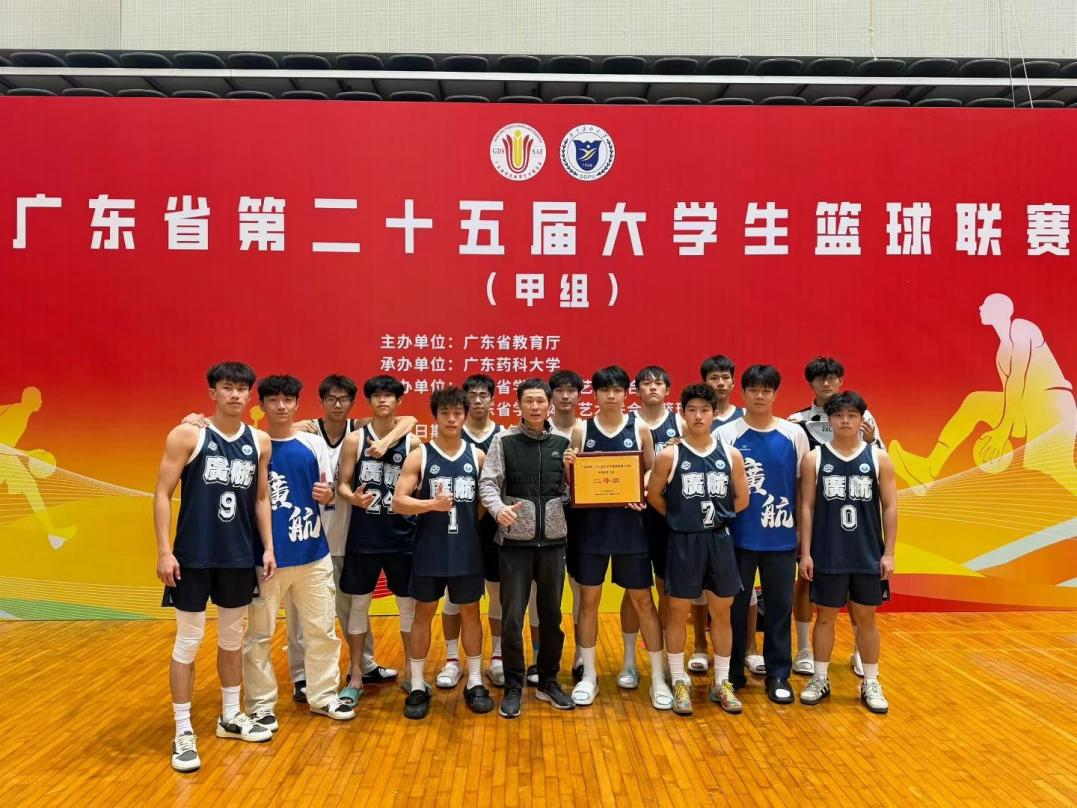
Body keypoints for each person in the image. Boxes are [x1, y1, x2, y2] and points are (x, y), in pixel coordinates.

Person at [153, 362, 274, 773]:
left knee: (232, 639)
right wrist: (164, 551)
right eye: (227, 387)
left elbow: (261, 498)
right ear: (213, 393)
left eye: (242, 389)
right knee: (188, 641)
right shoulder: (188, 434)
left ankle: (230, 716)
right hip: (193, 556)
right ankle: (183, 730)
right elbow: (162, 493)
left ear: (250, 395)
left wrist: (268, 548)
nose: (235, 395)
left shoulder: (259, 441)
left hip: (237, 557)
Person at [285, 375, 411, 700]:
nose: (338, 405)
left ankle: (365, 665)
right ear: (321, 401)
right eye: (331, 399)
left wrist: (385, 442)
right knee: (301, 614)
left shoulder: (360, 429)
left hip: (347, 537)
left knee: (353, 607)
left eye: (343, 399)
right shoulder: (306, 431)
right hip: (308, 539)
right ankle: (302, 676)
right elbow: (273, 430)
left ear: (354, 403)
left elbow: (408, 420)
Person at [242, 375, 355, 733]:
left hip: (312, 552)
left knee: (322, 630)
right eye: (273, 400)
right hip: (266, 559)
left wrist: (328, 495)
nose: (281, 406)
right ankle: (260, 705)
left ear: (296, 403)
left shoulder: (311, 443)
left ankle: (323, 696)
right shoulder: (251, 443)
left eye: (288, 400)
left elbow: (328, 489)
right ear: (261, 405)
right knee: (259, 635)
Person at [889, 292, 1075, 496]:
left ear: (1000, 311)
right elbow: (1011, 396)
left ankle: (928, 470)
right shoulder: (1002, 353)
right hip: (1030, 409)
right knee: (976, 403)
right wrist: (1001, 433)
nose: (980, 308)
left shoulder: (1021, 328)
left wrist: (1003, 430)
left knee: (1058, 468)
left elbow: (1017, 379)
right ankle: (928, 470)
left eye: (985, 305)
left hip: (1052, 404)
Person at [569, 366, 670, 710]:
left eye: (617, 389)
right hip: (592, 529)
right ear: (595, 394)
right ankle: (589, 676)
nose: (611, 395)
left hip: (630, 528)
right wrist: (571, 465)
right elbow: (573, 479)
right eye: (604, 389)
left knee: (643, 600)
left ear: (627, 394)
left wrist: (640, 489)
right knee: (589, 601)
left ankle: (657, 678)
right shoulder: (581, 429)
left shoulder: (639, 427)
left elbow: (652, 470)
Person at [393, 386, 495, 718]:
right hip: (429, 551)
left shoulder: (477, 457)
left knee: (470, 614)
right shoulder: (420, 455)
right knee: (423, 615)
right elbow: (398, 501)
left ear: (465, 416)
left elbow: (485, 502)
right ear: (435, 417)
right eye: (445, 413)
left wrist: (465, 522)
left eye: (457, 413)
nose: (451, 419)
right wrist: (430, 505)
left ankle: (475, 680)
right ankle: (418, 684)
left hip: (467, 551)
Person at [647, 384, 749, 715]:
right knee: (677, 611)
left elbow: (742, 498)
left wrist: (717, 520)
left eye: (705, 410)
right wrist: (680, 519)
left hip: (719, 540)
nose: (698, 416)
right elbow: (653, 495)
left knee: (722, 611)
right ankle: (679, 681)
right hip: (682, 541)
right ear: (683, 413)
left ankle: (722, 682)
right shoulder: (669, 455)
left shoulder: (730, 454)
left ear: (714, 414)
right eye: (691, 410)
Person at [479, 378, 575, 718]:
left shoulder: (564, 443)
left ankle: (549, 681)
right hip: (514, 544)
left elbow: (570, 494)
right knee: (511, 618)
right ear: (518, 405)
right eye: (529, 401)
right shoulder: (503, 441)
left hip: (553, 543)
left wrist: (572, 474)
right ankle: (513, 686)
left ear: (550, 405)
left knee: (551, 616)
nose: (535, 406)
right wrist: (498, 510)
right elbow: (488, 483)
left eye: (540, 401)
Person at [798, 391, 897, 714]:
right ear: (830, 419)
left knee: (866, 619)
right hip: (828, 553)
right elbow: (807, 507)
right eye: (839, 415)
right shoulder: (814, 458)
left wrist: (889, 553)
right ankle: (820, 678)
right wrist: (806, 553)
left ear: (861, 420)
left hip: (867, 553)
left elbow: (890, 507)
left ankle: (871, 681)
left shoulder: (879, 458)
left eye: (852, 416)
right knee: (825, 618)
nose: (845, 421)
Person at [717, 364, 809, 705]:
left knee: (780, 608)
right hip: (737, 537)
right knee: (734, 608)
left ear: (775, 394)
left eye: (766, 390)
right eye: (753, 389)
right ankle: (732, 673)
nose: (759, 395)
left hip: (781, 538)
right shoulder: (726, 434)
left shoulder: (794, 434)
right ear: (742, 393)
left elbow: (802, 488)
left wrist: (800, 532)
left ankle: (779, 673)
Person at [788, 357, 882, 677]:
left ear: (841, 380)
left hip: (853, 517)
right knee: (806, 579)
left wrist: (870, 440)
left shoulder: (864, 417)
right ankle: (804, 648)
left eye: (832, 378)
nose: (826, 383)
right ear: (810, 383)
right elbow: (794, 470)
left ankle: (859, 651)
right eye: (819, 378)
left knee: (858, 590)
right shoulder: (797, 421)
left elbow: (879, 463)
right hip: (814, 513)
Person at [337, 375, 420, 705]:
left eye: (389, 395)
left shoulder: (413, 443)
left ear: (399, 401)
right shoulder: (355, 440)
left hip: (403, 536)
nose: (383, 400)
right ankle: (357, 675)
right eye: (377, 395)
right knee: (358, 607)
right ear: (368, 400)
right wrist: (352, 498)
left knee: (407, 608)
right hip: (365, 536)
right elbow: (342, 484)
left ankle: (413, 673)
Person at [436, 374, 505, 690]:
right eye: (472, 395)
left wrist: (478, 517)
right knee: (453, 599)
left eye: (483, 395)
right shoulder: (451, 434)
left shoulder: (503, 436)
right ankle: (452, 660)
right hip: (454, 533)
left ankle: (498, 658)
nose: (478, 400)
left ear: (492, 399)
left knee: (497, 595)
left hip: (493, 531)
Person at [624, 366, 682, 684]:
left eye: (658, 383)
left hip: (667, 517)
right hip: (634, 517)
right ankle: (629, 661)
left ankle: (668, 663)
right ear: (637, 391)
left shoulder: (681, 423)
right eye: (646, 383)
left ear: (668, 390)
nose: (653, 388)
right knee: (633, 590)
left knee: (666, 590)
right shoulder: (628, 424)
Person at [694, 354, 746, 672]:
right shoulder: (691, 421)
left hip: (735, 519)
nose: (721, 383)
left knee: (740, 590)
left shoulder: (744, 418)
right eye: (714, 377)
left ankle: (749, 648)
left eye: (726, 377)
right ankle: (700, 645)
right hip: (698, 522)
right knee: (699, 589)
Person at [0, 386, 76, 549]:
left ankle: (53, 534)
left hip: (5, 459)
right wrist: (29, 454)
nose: (41, 401)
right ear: (30, 400)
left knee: (31, 488)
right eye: (38, 398)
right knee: (31, 488)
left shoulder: (14, 408)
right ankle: (53, 534)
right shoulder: (19, 414)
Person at [549, 369, 586, 682]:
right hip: (544, 519)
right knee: (543, 592)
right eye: (559, 390)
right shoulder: (539, 428)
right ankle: (542, 657)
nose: (565, 395)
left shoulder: (587, 430)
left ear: (579, 395)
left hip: (579, 519)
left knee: (579, 590)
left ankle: (581, 655)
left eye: (570, 390)